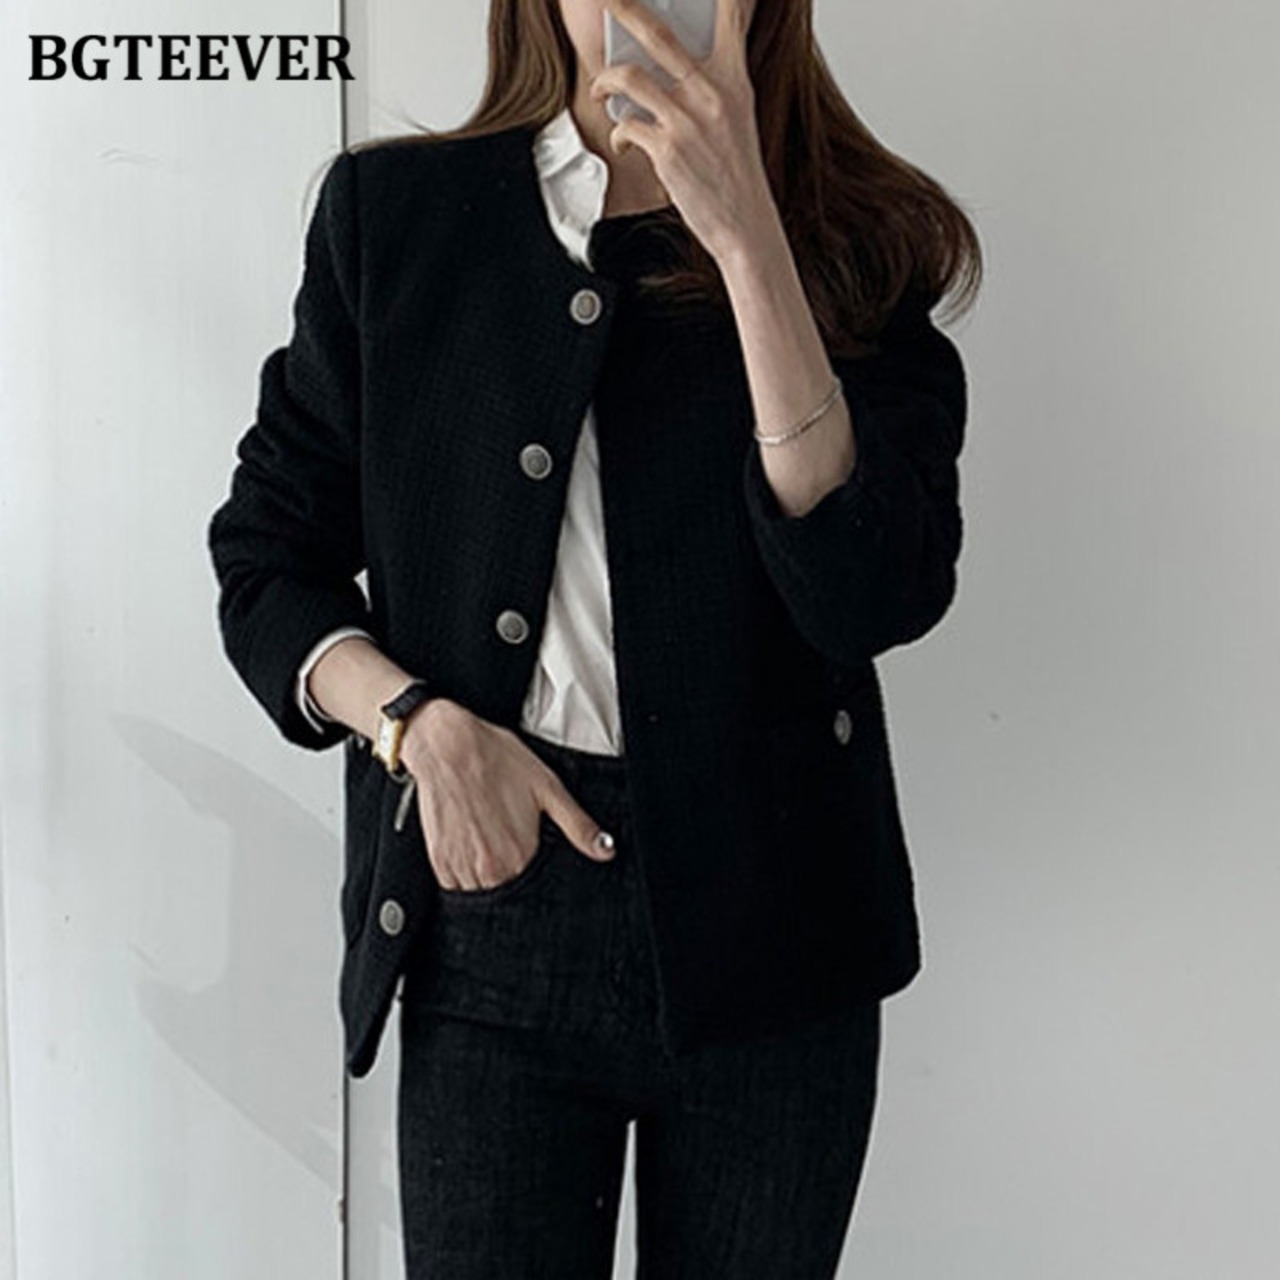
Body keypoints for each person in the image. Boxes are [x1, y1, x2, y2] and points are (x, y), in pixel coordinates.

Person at [207, 0, 981, 1274]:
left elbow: (872, 595)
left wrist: (748, 240)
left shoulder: (859, 240)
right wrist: (416, 729)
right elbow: (266, 558)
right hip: (493, 903)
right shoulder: (396, 220)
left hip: (777, 924)